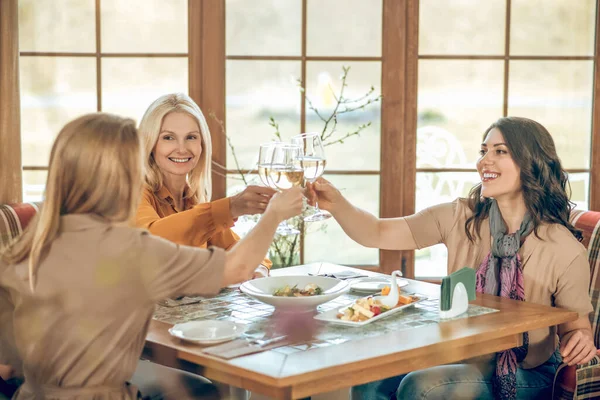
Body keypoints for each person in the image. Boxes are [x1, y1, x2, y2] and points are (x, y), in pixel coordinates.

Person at [0, 113, 303, 399]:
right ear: (123, 175)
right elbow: (236, 268)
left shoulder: (24, 248)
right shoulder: (129, 249)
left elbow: (7, 365)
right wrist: (273, 215)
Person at [307, 117, 596, 400]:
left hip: (527, 371)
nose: (485, 161)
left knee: (423, 388)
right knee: (369, 383)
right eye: (484, 151)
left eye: (500, 152)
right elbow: (378, 232)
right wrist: (336, 204)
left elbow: (575, 328)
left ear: (531, 162)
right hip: (462, 353)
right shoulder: (461, 217)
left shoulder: (563, 247)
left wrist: (579, 339)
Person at [136, 93, 274, 279]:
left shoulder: (191, 200)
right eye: (168, 138)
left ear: (202, 144)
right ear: (150, 143)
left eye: (191, 137)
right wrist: (230, 207)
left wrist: (259, 268)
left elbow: (236, 248)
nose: (182, 148)